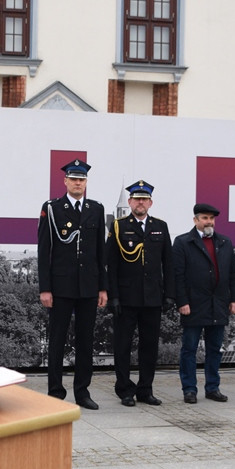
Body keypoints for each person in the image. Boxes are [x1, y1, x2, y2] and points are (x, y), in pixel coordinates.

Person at [38, 159, 107, 409]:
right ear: (65, 181)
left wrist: (102, 287)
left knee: (85, 341)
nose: (78, 183)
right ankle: (55, 391)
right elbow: (44, 250)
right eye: (74, 179)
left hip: (88, 286)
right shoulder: (52, 208)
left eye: (82, 179)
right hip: (61, 287)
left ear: (86, 183)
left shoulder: (96, 209)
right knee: (57, 340)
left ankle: (82, 392)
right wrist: (45, 288)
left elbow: (101, 251)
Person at [106, 180, 173, 407]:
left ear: (150, 203)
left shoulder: (161, 227)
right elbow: (111, 265)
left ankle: (146, 389)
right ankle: (125, 390)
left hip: (152, 298)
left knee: (149, 346)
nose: (140, 203)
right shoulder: (118, 226)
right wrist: (113, 296)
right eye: (137, 199)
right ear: (130, 202)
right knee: (123, 346)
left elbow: (169, 263)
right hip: (125, 299)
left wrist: (169, 295)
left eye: (144, 199)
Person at [172, 203, 235, 403]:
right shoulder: (183, 242)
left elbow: (234, 275)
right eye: (204, 218)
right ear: (195, 220)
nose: (208, 222)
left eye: (211, 218)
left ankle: (212, 387)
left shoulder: (225, 242)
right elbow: (178, 276)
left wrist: (234, 300)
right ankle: (189, 389)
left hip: (218, 304)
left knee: (214, 349)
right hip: (193, 305)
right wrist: (182, 301)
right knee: (190, 349)